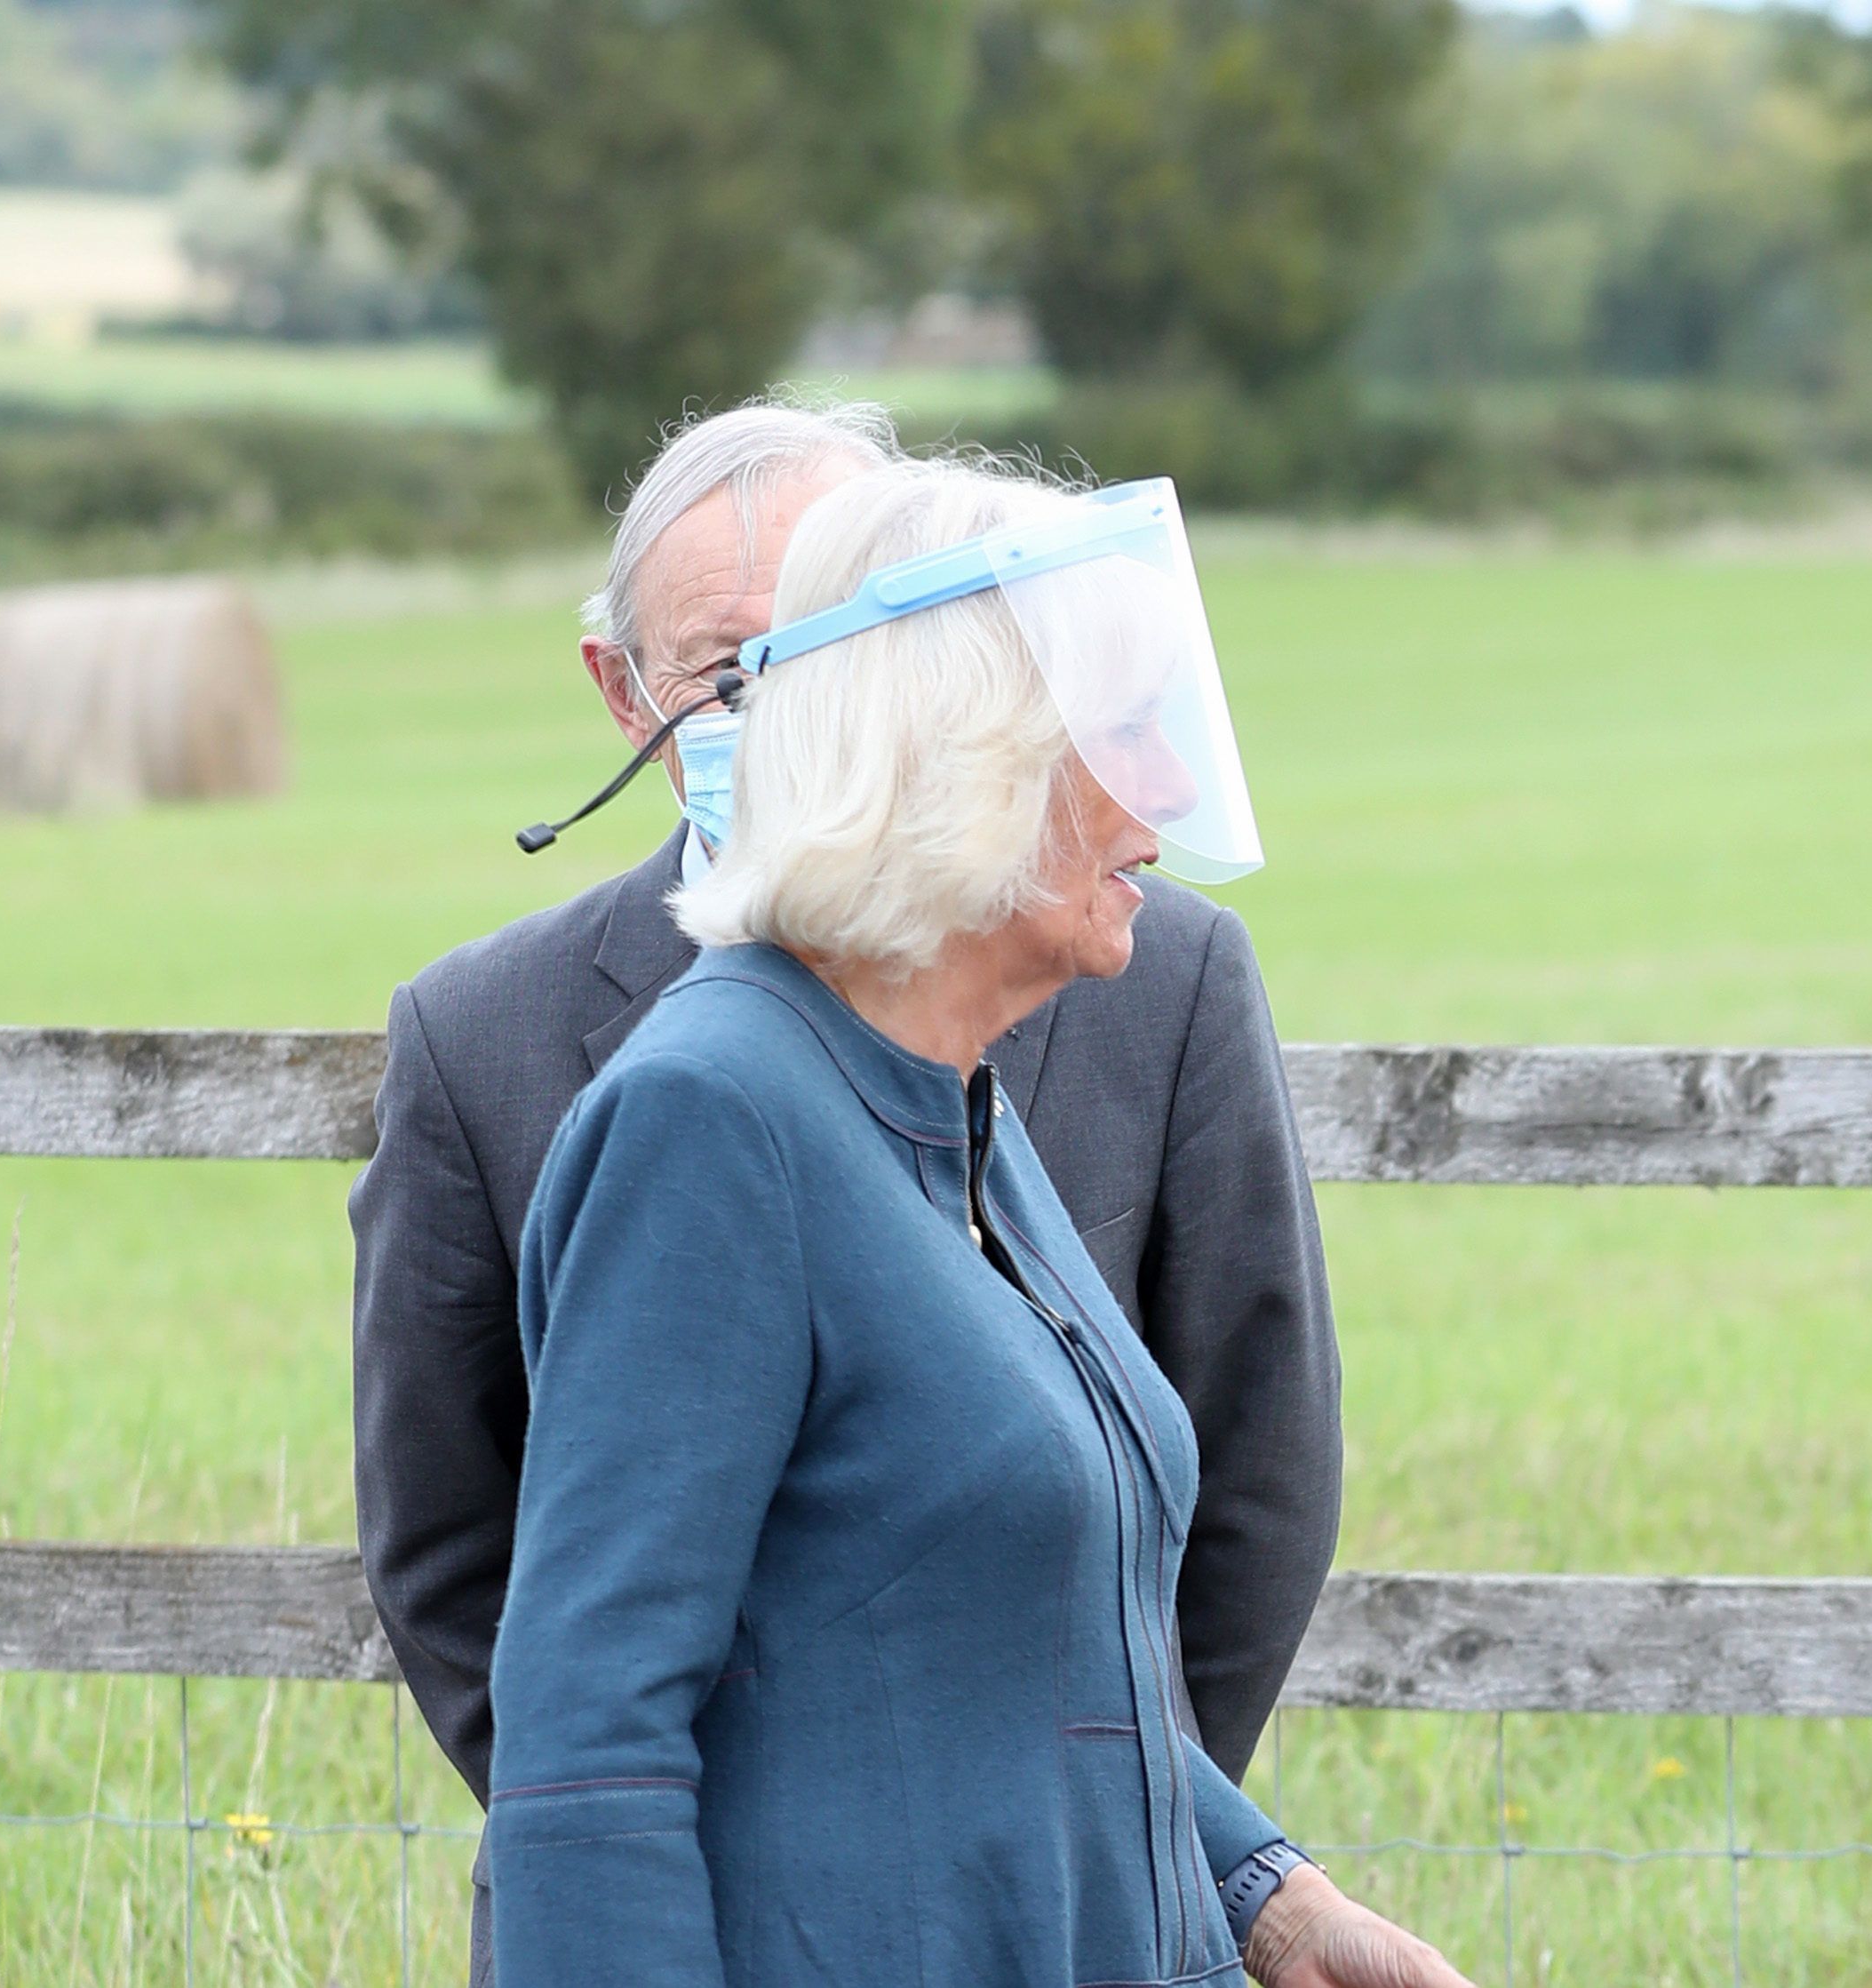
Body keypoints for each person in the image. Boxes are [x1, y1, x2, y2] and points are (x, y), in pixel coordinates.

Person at [351, 403, 1340, 1978]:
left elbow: (1015, 1635)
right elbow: (591, 1733)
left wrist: (1255, 1889)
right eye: (1096, 738)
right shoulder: (713, 1112)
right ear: (955, 758)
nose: (1151, 809)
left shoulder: (946, 1085)